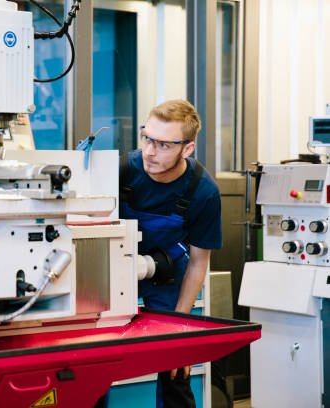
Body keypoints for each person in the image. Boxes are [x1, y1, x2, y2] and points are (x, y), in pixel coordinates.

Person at [119, 99, 222, 407]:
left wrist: (180, 325)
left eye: (163, 145)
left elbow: (198, 261)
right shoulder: (121, 171)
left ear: (186, 149)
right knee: (88, 360)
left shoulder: (203, 191)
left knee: (175, 366)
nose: (150, 151)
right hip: (113, 269)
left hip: (166, 275)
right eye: (146, 138)